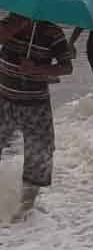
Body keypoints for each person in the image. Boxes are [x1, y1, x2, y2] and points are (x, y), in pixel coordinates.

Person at [0, 14, 73, 221]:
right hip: (4, 99)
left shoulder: (53, 32)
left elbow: (66, 67)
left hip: (36, 105)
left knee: (40, 154)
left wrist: (37, 69)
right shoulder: (9, 23)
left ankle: (25, 210)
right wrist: (17, 26)